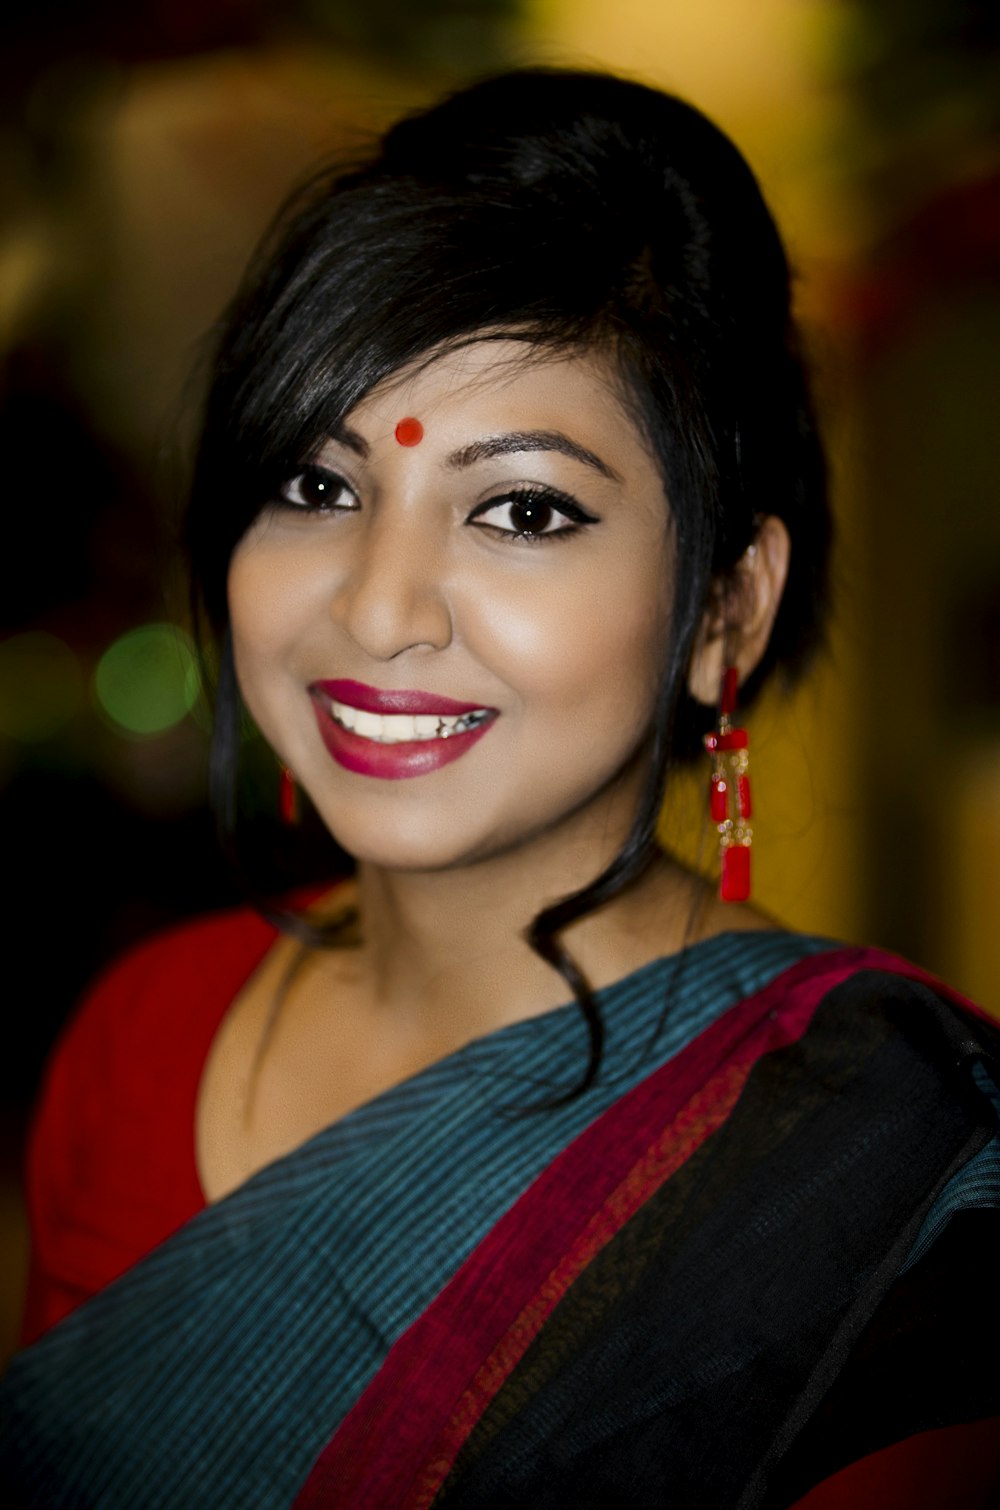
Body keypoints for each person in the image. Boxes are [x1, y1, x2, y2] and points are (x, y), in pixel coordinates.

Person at [2, 67, 999, 1509]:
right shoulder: (137, 1036)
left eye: (523, 508)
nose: (381, 607)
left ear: (726, 608)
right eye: (318, 484)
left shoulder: (884, 1189)